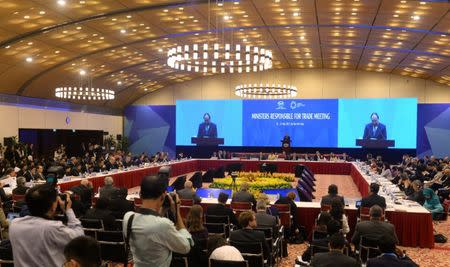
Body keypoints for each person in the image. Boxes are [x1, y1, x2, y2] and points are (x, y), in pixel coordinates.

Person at [123, 176, 192, 267]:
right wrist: (177, 212)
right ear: (163, 196)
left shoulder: (128, 218)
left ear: (140, 195)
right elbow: (186, 247)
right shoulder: (163, 225)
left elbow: (149, 225)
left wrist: (162, 211)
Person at [9, 183, 84, 267]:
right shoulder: (52, 228)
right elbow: (80, 238)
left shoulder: (14, 224)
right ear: (53, 206)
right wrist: (68, 210)